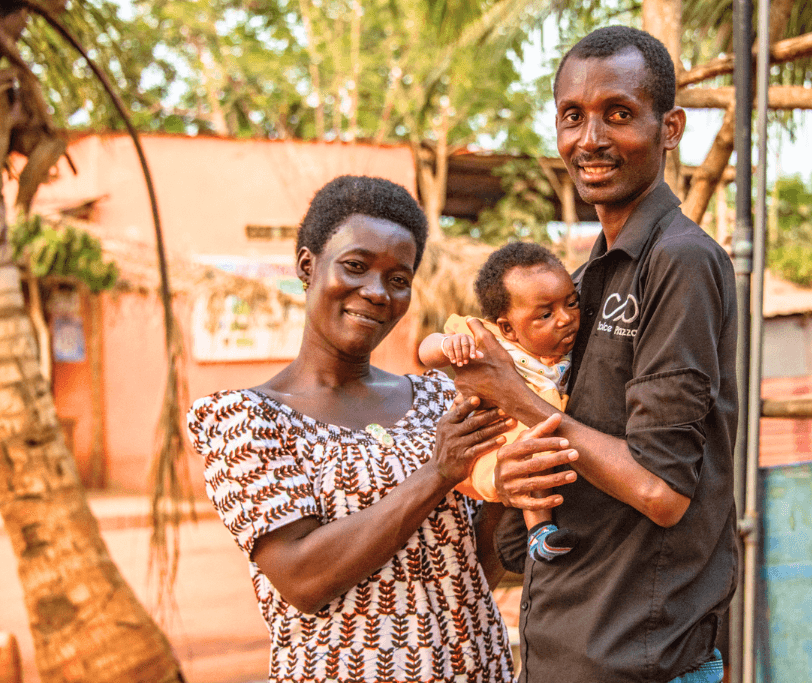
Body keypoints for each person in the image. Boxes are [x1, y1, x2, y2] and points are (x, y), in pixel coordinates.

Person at [452, 26, 739, 683]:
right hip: (566, 646)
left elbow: (662, 491)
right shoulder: (582, 284)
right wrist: (498, 462)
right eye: (572, 116)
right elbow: (555, 443)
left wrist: (516, 396)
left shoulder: (681, 261)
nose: (590, 138)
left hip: (638, 659)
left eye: (619, 114)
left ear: (670, 129)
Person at [187, 175, 523, 683]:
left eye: (398, 278)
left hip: (475, 668)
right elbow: (303, 578)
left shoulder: (440, 398)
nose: (376, 292)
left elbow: (472, 567)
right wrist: (437, 473)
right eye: (356, 266)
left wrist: (507, 488)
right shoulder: (247, 421)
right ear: (307, 266)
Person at [418, 241, 581, 563]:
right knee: (528, 466)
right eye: (545, 314)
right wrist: (450, 345)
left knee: (537, 459)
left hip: (543, 437)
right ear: (508, 328)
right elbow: (427, 350)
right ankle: (540, 532)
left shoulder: (573, 347)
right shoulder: (489, 339)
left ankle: (539, 533)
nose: (565, 318)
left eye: (572, 303)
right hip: (497, 446)